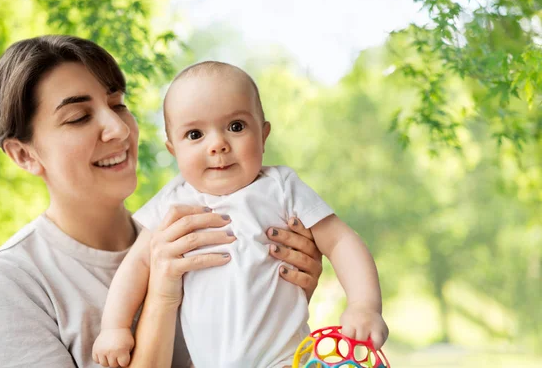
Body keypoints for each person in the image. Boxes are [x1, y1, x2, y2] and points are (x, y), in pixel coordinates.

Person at [0, 36, 324, 368]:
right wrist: (160, 296)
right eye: (78, 117)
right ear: (24, 155)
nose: (119, 128)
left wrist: (287, 294)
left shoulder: (203, 230)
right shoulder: (3, 286)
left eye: (118, 104)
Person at [93, 61, 389, 368]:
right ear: (173, 150)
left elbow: (341, 241)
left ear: (264, 135)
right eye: (195, 134)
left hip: (286, 360)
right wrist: (114, 327)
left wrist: (364, 305)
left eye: (236, 127)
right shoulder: (173, 201)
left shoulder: (281, 187)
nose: (218, 145)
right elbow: (137, 263)